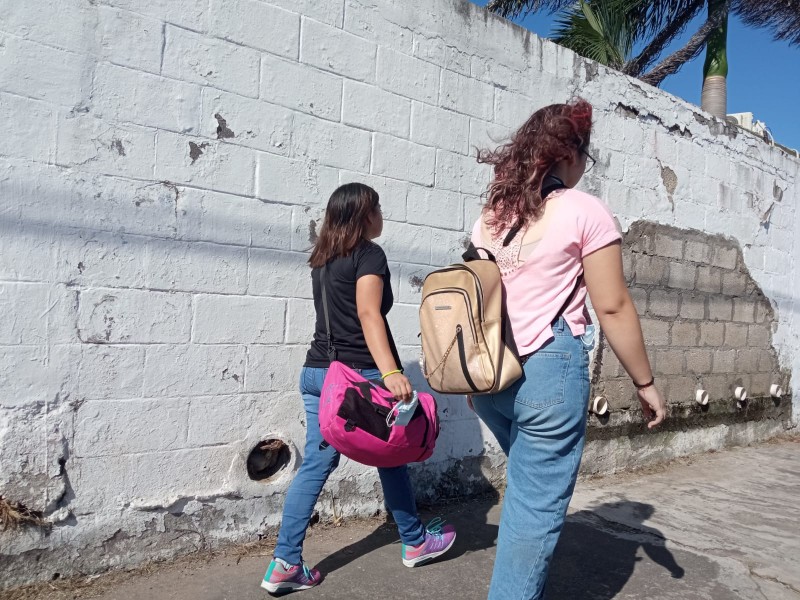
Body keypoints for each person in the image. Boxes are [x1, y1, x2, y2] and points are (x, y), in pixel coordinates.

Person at [468, 99, 667, 600]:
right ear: (570, 155)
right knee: (534, 512)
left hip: (490, 374)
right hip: (548, 371)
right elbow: (614, 306)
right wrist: (645, 383)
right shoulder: (584, 210)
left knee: (528, 493)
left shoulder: (493, 215)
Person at [261, 183, 456, 594]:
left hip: (318, 374)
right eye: (378, 208)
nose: (382, 214)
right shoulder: (370, 254)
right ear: (365, 214)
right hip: (356, 379)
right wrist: (389, 373)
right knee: (392, 454)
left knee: (317, 464)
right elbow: (369, 315)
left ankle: (284, 562)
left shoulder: (323, 259)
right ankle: (417, 542)